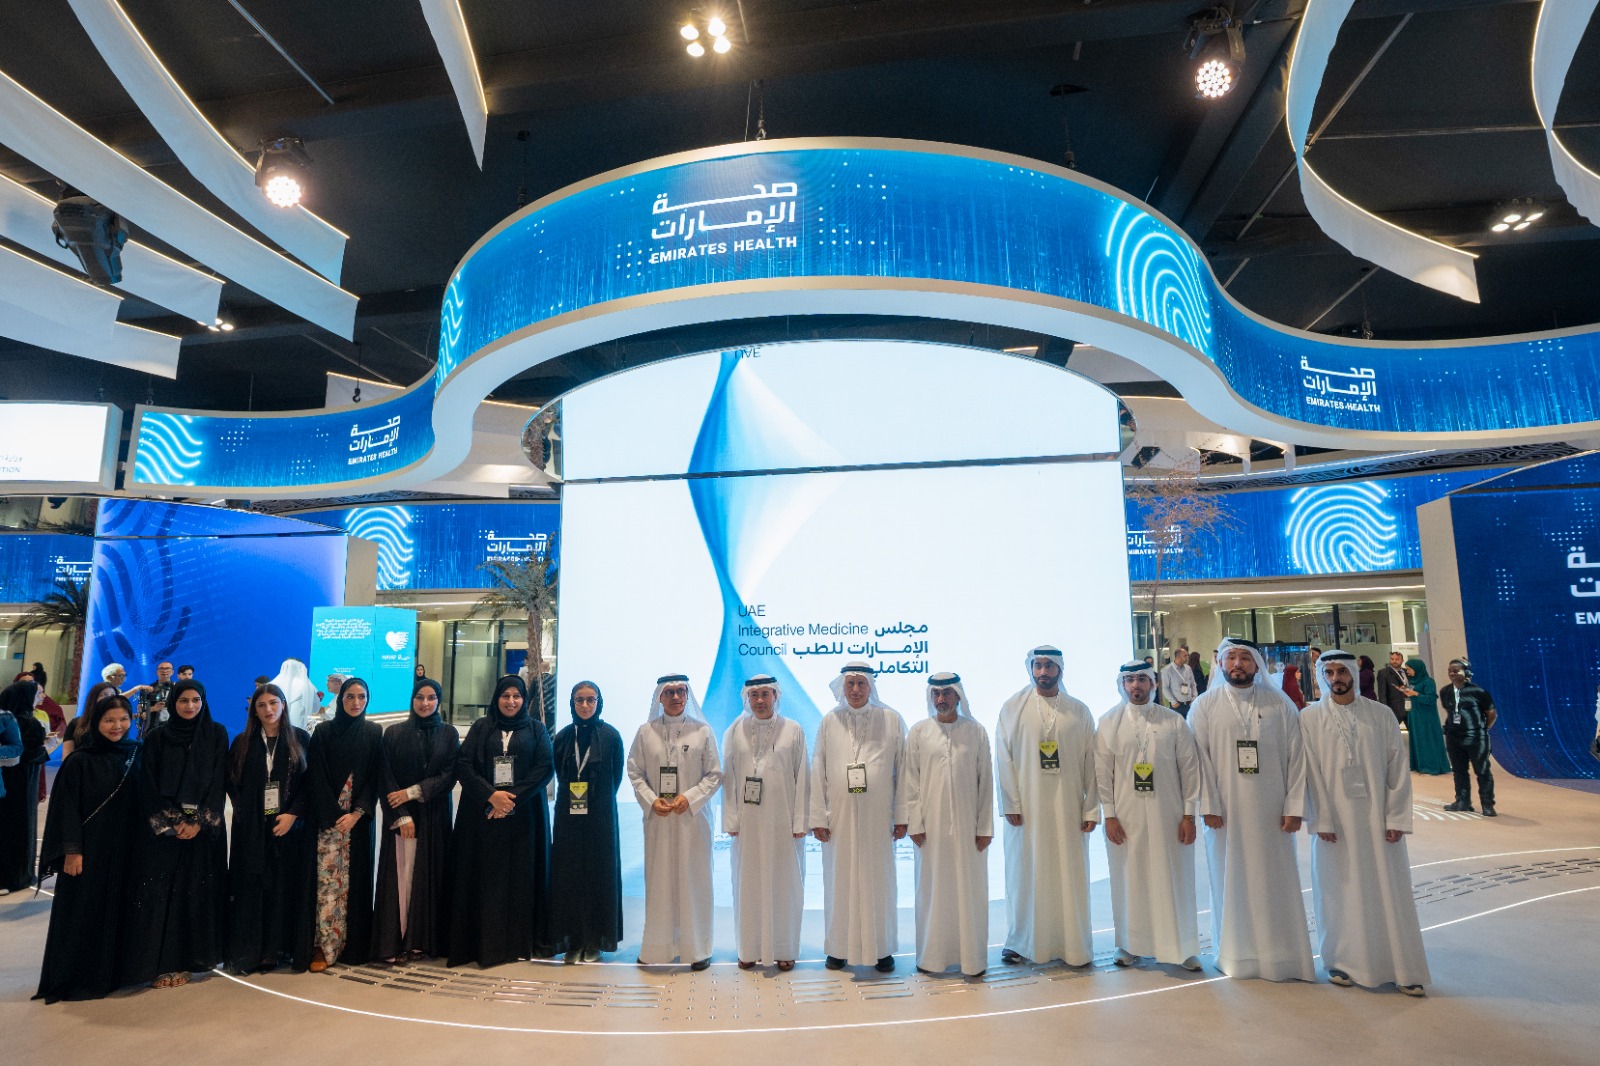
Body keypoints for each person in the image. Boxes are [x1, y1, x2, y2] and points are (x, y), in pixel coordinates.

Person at [1301, 651, 1430, 995]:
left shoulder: (1381, 714)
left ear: (1354, 675)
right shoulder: (1309, 718)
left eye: (1342, 671)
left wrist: (1396, 816)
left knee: (1388, 889)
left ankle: (1401, 966)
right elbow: (1310, 773)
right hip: (1334, 824)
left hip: (1378, 820)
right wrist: (1321, 818)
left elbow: (1397, 768)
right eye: (1329, 672)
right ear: (1322, 676)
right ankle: (1342, 962)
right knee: (1337, 891)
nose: (1336, 678)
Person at [1188, 637, 1314, 982]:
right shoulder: (1204, 705)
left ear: (1257, 664)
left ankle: (1281, 956)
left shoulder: (1280, 703)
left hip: (1272, 813)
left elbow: (1296, 758)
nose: (1238, 665)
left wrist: (1294, 807)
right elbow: (1198, 760)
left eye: (1245, 658)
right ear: (1221, 663)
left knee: (1274, 882)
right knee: (1228, 882)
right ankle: (1236, 955)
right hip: (1225, 813)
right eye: (1231, 658)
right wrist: (1208, 804)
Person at [121, 679, 229, 989]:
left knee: (196, 893)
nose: (190, 706)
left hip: (203, 833)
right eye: (184, 700)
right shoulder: (157, 737)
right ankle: (162, 963)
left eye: (196, 700)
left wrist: (197, 822)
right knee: (162, 894)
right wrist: (175, 822)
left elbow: (218, 782)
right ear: (173, 703)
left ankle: (192, 961)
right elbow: (149, 785)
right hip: (166, 836)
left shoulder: (216, 734)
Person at [994, 645, 1098, 967]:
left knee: (1068, 873)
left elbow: (1091, 763)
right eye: (1037, 665)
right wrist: (1010, 802)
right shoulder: (1013, 708)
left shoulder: (1078, 711)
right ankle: (1021, 941)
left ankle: (1072, 944)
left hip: (1068, 808)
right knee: (1024, 873)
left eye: (1049, 666)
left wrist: (1091, 809)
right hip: (1026, 810)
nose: (1043, 672)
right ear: (1031, 669)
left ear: (1060, 670)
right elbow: (1003, 758)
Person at [34, 693, 141, 1003]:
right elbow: (66, 809)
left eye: (123, 719)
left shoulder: (136, 753)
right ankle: (77, 977)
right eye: (109, 720)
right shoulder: (80, 760)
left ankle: (113, 975)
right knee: (84, 912)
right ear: (95, 722)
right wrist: (73, 850)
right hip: (89, 851)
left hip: (125, 848)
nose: (117, 726)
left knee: (118, 910)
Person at [1095, 661, 1202, 971]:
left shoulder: (1173, 721)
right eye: (1129, 680)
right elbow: (1103, 775)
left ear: (1154, 684)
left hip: (1169, 815)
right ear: (1122, 684)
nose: (1135, 685)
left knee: (1173, 878)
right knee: (1130, 879)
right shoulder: (1109, 723)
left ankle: (1182, 946)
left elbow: (1190, 771)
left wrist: (1189, 815)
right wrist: (1109, 815)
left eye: (1142, 679)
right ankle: (1130, 945)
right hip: (1126, 817)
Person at [448, 674, 555, 967]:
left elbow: (545, 767)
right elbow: (464, 764)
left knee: (521, 878)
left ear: (524, 699)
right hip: (482, 817)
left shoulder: (536, 729)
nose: (511, 701)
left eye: (516, 696)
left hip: (524, 818)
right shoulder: (482, 727)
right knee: (486, 878)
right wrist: (491, 796)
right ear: (496, 698)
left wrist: (510, 799)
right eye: (505, 696)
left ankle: (519, 942)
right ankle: (485, 943)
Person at [810, 661, 908, 973]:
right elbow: (818, 769)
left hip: (878, 818)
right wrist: (818, 818)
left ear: (871, 686)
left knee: (878, 880)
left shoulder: (890, 720)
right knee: (839, 880)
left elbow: (904, 771)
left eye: (861, 683)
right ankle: (838, 948)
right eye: (850, 684)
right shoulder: (830, 721)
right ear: (842, 687)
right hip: (838, 818)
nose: (855, 690)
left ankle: (881, 949)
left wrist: (902, 816)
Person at [628, 674, 722, 970]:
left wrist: (690, 798)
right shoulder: (646, 732)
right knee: (660, 882)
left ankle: (698, 950)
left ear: (687, 695)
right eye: (669, 692)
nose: (676, 697)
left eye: (681, 691)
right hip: (660, 819)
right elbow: (635, 772)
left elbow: (715, 774)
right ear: (660, 697)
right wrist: (651, 800)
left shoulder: (702, 731)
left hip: (692, 820)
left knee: (694, 881)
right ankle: (657, 948)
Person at [906, 672, 993, 977]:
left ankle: (972, 959)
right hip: (930, 831)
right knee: (933, 892)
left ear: (958, 695)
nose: (941, 699)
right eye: (936, 694)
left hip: (969, 831)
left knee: (969, 892)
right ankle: (932, 958)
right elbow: (911, 782)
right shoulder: (919, 732)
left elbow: (985, 783)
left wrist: (984, 827)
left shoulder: (976, 731)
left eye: (946, 693)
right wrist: (915, 823)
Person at [225, 684, 315, 974]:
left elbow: (310, 783)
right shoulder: (242, 742)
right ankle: (252, 951)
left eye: (274, 703)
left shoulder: (300, 738)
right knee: (252, 887)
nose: (268, 710)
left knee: (283, 886)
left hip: (288, 827)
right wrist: (245, 813)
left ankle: (277, 949)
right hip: (251, 831)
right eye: (261, 705)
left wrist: (293, 814)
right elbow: (231, 783)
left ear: (283, 705)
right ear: (254, 709)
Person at [722, 674, 809, 971]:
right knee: (747, 885)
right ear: (747, 697)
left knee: (785, 886)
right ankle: (749, 948)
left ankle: (784, 948)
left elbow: (802, 777)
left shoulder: (793, 730)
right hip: (747, 824)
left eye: (765, 694)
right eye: (754, 695)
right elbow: (729, 778)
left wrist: (800, 821)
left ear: (776, 696)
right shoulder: (735, 730)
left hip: (784, 823)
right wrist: (731, 819)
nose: (759, 700)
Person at [373, 678, 459, 962]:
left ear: (439, 701)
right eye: (420, 697)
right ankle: (395, 941)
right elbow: (385, 777)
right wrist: (401, 816)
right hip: (402, 819)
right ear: (412, 700)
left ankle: (422, 942)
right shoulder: (394, 733)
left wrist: (412, 792)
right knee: (402, 877)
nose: (425, 703)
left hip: (434, 817)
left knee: (428, 877)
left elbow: (449, 775)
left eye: (431, 698)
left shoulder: (448, 734)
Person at [306, 676, 384, 970]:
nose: (356, 702)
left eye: (361, 697)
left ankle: (354, 947)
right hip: (328, 822)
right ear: (340, 699)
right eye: (350, 696)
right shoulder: (324, 732)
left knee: (356, 884)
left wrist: (357, 813)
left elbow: (375, 776)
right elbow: (316, 775)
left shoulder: (373, 733)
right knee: (326, 885)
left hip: (358, 823)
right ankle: (322, 947)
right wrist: (334, 815)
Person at [550, 681, 626, 963]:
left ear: (598, 702)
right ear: (572, 703)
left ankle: (595, 940)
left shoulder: (611, 736)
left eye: (590, 700)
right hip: (568, 817)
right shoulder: (562, 737)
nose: (585, 705)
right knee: (568, 876)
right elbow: (559, 773)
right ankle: (573, 940)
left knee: (598, 874)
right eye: (579, 700)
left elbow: (616, 777)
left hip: (600, 817)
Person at [0, 679, 48, 893]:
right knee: (19, 827)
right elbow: (28, 752)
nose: (41, 697)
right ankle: (15, 876)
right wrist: (46, 747)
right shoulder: (26, 722)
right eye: (37, 694)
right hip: (21, 783)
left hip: (8, 781)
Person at [1441, 659, 1497, 816]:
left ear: (1466, 672)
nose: (1452, 673)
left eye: (1456, 670)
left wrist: (1482, 729)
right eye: (1450, 671)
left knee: (1482, 771)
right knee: (1459, 771)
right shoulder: (1445, 691)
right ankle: (1462, 801)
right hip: (1454, 737)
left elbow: (1491, 713)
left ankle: (1487, 804)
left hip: (1476, 737)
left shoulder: (1478, 692)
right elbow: (1450, 712)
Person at [1404, 658, 1450, 775]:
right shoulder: (1413, 682)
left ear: (1417, 668)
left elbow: (1431, 699)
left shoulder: (1428, 682)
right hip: (1414, 715)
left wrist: (1415, 694)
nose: (1408, 672)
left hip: (1426, 716)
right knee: (1418, 739)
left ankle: (1430, 765)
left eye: (1409, 669)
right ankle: (1419, 765)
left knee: (1427, 739)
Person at [60, 681, 119, 760]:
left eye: (113, 695)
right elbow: (67, 754)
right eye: (104, 694)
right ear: (94, 698)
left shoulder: (118, 725)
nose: (109, 698)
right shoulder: (76, 723)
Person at [270, 658, 324, 732]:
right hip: (299, 730)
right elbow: (315, 709)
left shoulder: (272, 685)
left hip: (273, 730)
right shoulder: (307, 686)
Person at [1374, 651, 1413, 725]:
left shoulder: (1407, 672)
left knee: (1413, 730)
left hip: (1409, 708)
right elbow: (1382, 694)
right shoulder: (1384, 673)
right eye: (1392, 659)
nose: (1394, 661)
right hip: (1394, 709)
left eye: (1397, 659)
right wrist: (1385, 710)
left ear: (1402, 660)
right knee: (1391, 730)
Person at [139, 661, 176, 736]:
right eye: (161, 669)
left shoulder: (178, 689)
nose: (164, 671)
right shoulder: (147, 689)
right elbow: (140, 710)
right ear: (156, 672)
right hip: (153, 727)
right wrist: (153, 708)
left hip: (173, 727)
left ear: (172, 672)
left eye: (167, 668)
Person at [1160, 647, 1197, 718]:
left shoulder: (1188, 668)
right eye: (1185, 656)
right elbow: (1165, 687)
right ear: (1178, 657)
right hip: (1177, 705)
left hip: (1189, 704)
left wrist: (1194, 698)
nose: (1187, 658)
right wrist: (1173, 701)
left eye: (1187, 655)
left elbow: (1193, 684)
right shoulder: (1167, 670)